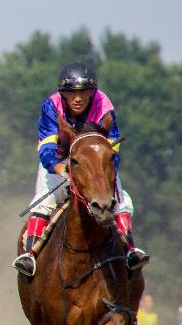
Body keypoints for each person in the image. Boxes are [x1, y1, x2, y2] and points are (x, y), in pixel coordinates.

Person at [13, 62, 150, 277]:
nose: (78, 98)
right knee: (44, 202)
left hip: (95, 164)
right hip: (59, 163)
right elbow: (47, 146)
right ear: (63, 94)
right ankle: (30, 256)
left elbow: (113, 145)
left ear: (92, 92)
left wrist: (104, 172)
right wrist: (60, 169)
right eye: (71, 93)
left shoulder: (103, 104)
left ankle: (130, 250)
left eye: (84, 92)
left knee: (121, 200)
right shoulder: (51, 105)